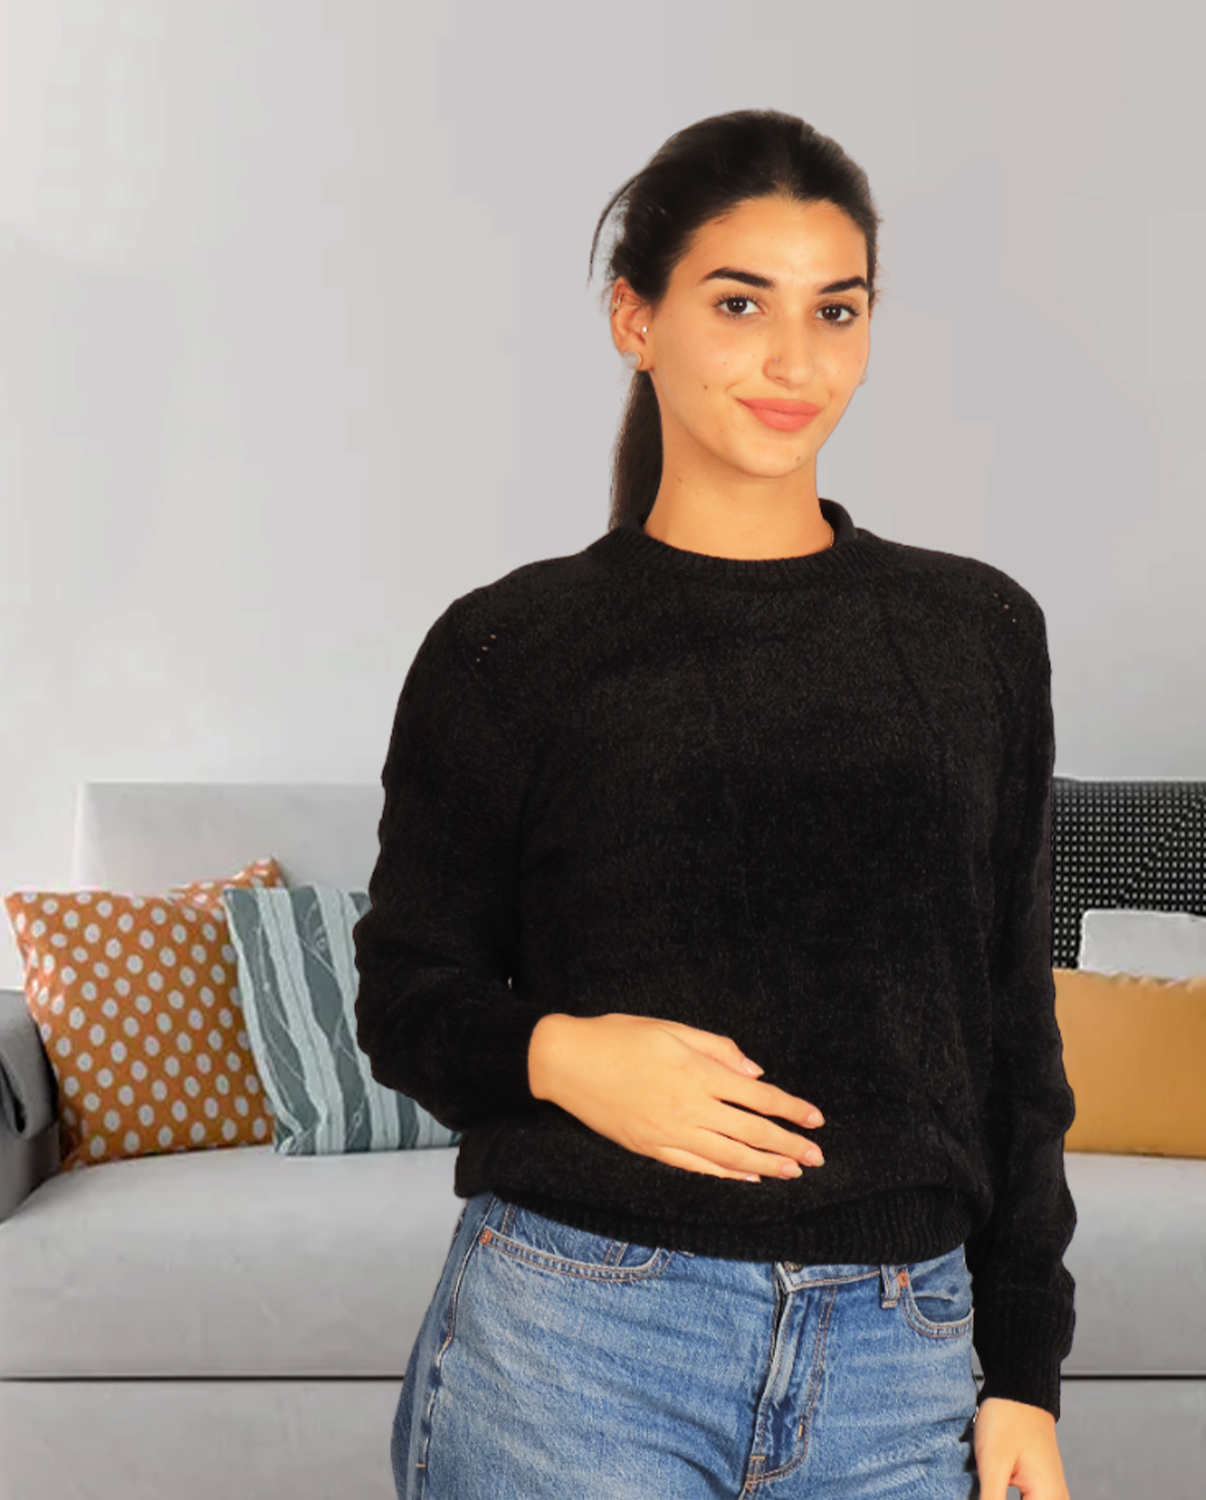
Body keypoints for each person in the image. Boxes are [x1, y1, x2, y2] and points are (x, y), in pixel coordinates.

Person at [353, 107, 1077, 1500]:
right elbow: (404, 993)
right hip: (575, 1345)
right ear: (636, 318)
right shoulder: (510, 646)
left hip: (902, 1361)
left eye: (836, 310)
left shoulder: (977, 634)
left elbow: (1012, 1031)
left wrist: (1024, 1375)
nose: (795, 360)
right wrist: (562, 1054)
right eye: (740, 303)